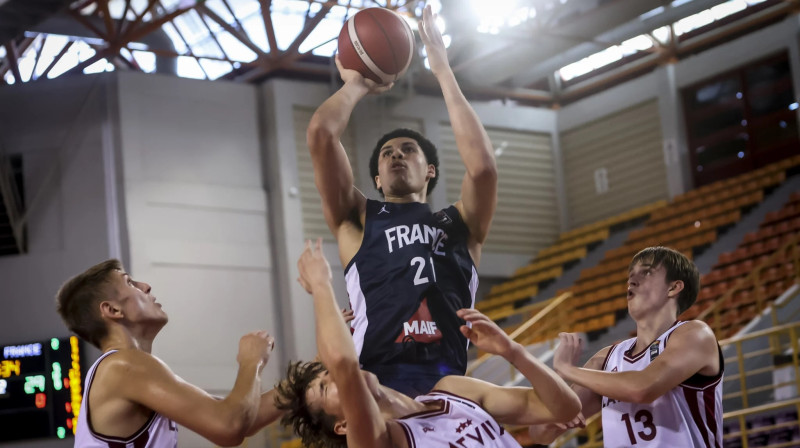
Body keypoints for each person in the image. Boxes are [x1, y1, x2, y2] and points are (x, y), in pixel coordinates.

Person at [307, 4, 498, 397]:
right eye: (387, 153)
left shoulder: (460, 224)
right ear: (376, 178)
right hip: (375, 387)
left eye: (409, 150)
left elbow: (483, 169)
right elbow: (321, 136)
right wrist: (357, 84)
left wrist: (442, 69)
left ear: (429, 170)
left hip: (448, 388)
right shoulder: (357, 219)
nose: (396, 154)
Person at [275, 239, 580, 448]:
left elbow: (565, 409)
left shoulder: (454, 390)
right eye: (326, 387)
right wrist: (320, 285)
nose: (335, 376)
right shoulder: (381, 440)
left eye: (325, 375)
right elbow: (343, 365)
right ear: (342, 426)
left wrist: (513, 352)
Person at [55, 259, 283, 447]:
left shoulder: (130, 368)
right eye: (131, 283)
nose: (145, 286)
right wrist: (252, 361)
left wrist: (303, 383)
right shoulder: (123, 365)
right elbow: (229, 425)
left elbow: (244, 417)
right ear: (113, 310)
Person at [528, 246, 723, 447]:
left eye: (646, 272)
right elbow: (540, 434)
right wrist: (558, 417)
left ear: (673, 288)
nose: (631, 280)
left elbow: (642, 389)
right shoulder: (606, 358)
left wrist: (567, 369)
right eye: (630, 275)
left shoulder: (696, 334)